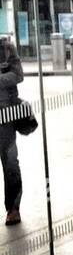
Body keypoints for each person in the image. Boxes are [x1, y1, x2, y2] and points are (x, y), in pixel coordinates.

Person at [0, 37, 24, 226]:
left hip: (4, 115)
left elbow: (18, 74)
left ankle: (13, 208)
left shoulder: (6, 46)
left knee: (10, 163)